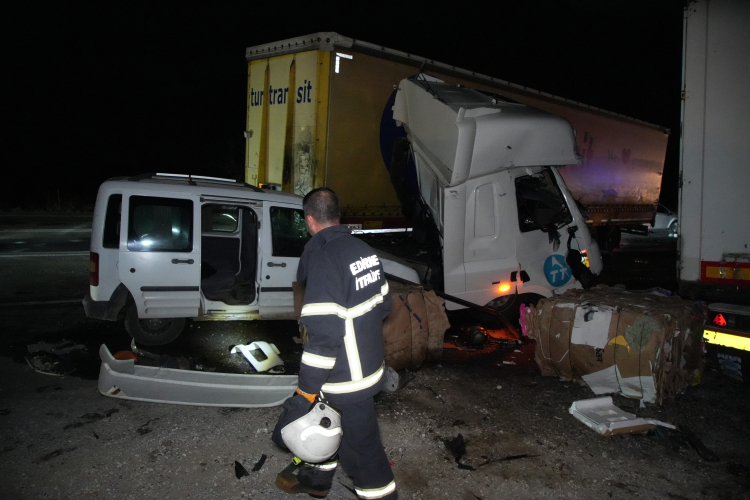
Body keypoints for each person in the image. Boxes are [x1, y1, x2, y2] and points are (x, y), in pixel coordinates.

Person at [273, 187, 397, 499]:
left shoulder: (325, 259)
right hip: (366, 365)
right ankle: (316, 483)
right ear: (338, 215)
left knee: (363, 450)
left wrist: (306, 390)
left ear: (309, 219)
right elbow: (384, 305)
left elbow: (323, 337)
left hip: (345, 379)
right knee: (323, 424)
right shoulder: (363, 250)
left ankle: (382, 494)